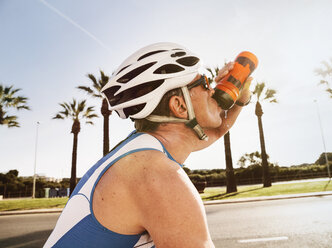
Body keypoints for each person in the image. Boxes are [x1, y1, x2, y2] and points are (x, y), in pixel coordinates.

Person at [44, 42, 252, 248]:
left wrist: (239, 98)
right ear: (179, 106)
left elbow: (217, 129)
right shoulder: (157, 176)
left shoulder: (142, 148)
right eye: (205, 84)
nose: (213, 91)